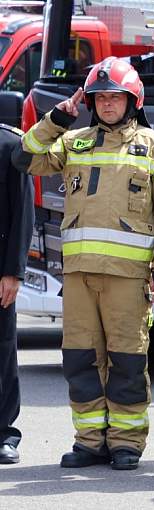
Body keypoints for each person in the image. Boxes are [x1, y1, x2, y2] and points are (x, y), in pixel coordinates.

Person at [15, 57, 154, 470]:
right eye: (100, 97)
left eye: (115, 97)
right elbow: (26, 157)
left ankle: (126, 442)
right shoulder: (74, 141)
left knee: (127, 360)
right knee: (80, 359)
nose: (107, 103)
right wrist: (57, 119)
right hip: (78, 276)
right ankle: (89, 441)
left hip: (129, 277)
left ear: (132, 100)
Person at [0, 123, 34, 465]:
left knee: (2, 354)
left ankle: (3, 435)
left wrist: (13, 272)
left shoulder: (10, 145)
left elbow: (23, 212)